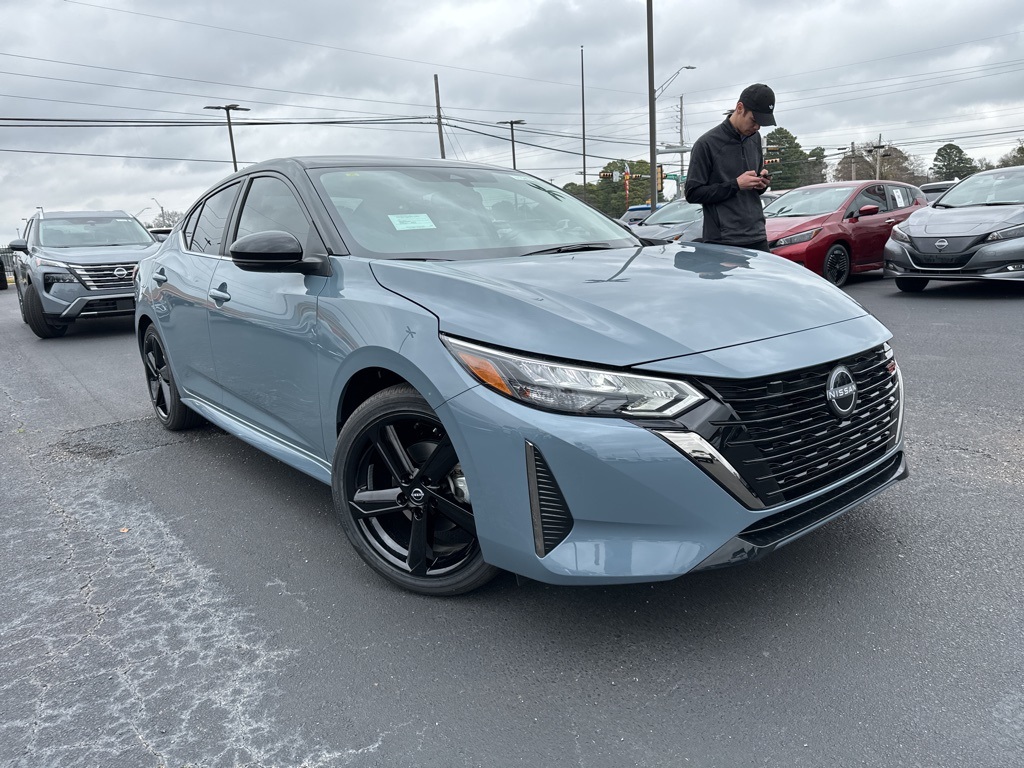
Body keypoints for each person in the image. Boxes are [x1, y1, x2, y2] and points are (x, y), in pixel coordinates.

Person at [684, 83, 776, 252]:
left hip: (757, 234)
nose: (757, 127)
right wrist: (736, 185)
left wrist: (761, 184)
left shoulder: (755, 138)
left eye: (762, 123)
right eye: (754, 120)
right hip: (723, 240)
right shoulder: (706, 144)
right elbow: (692, 193)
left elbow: (750, 191)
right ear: (740, 108)